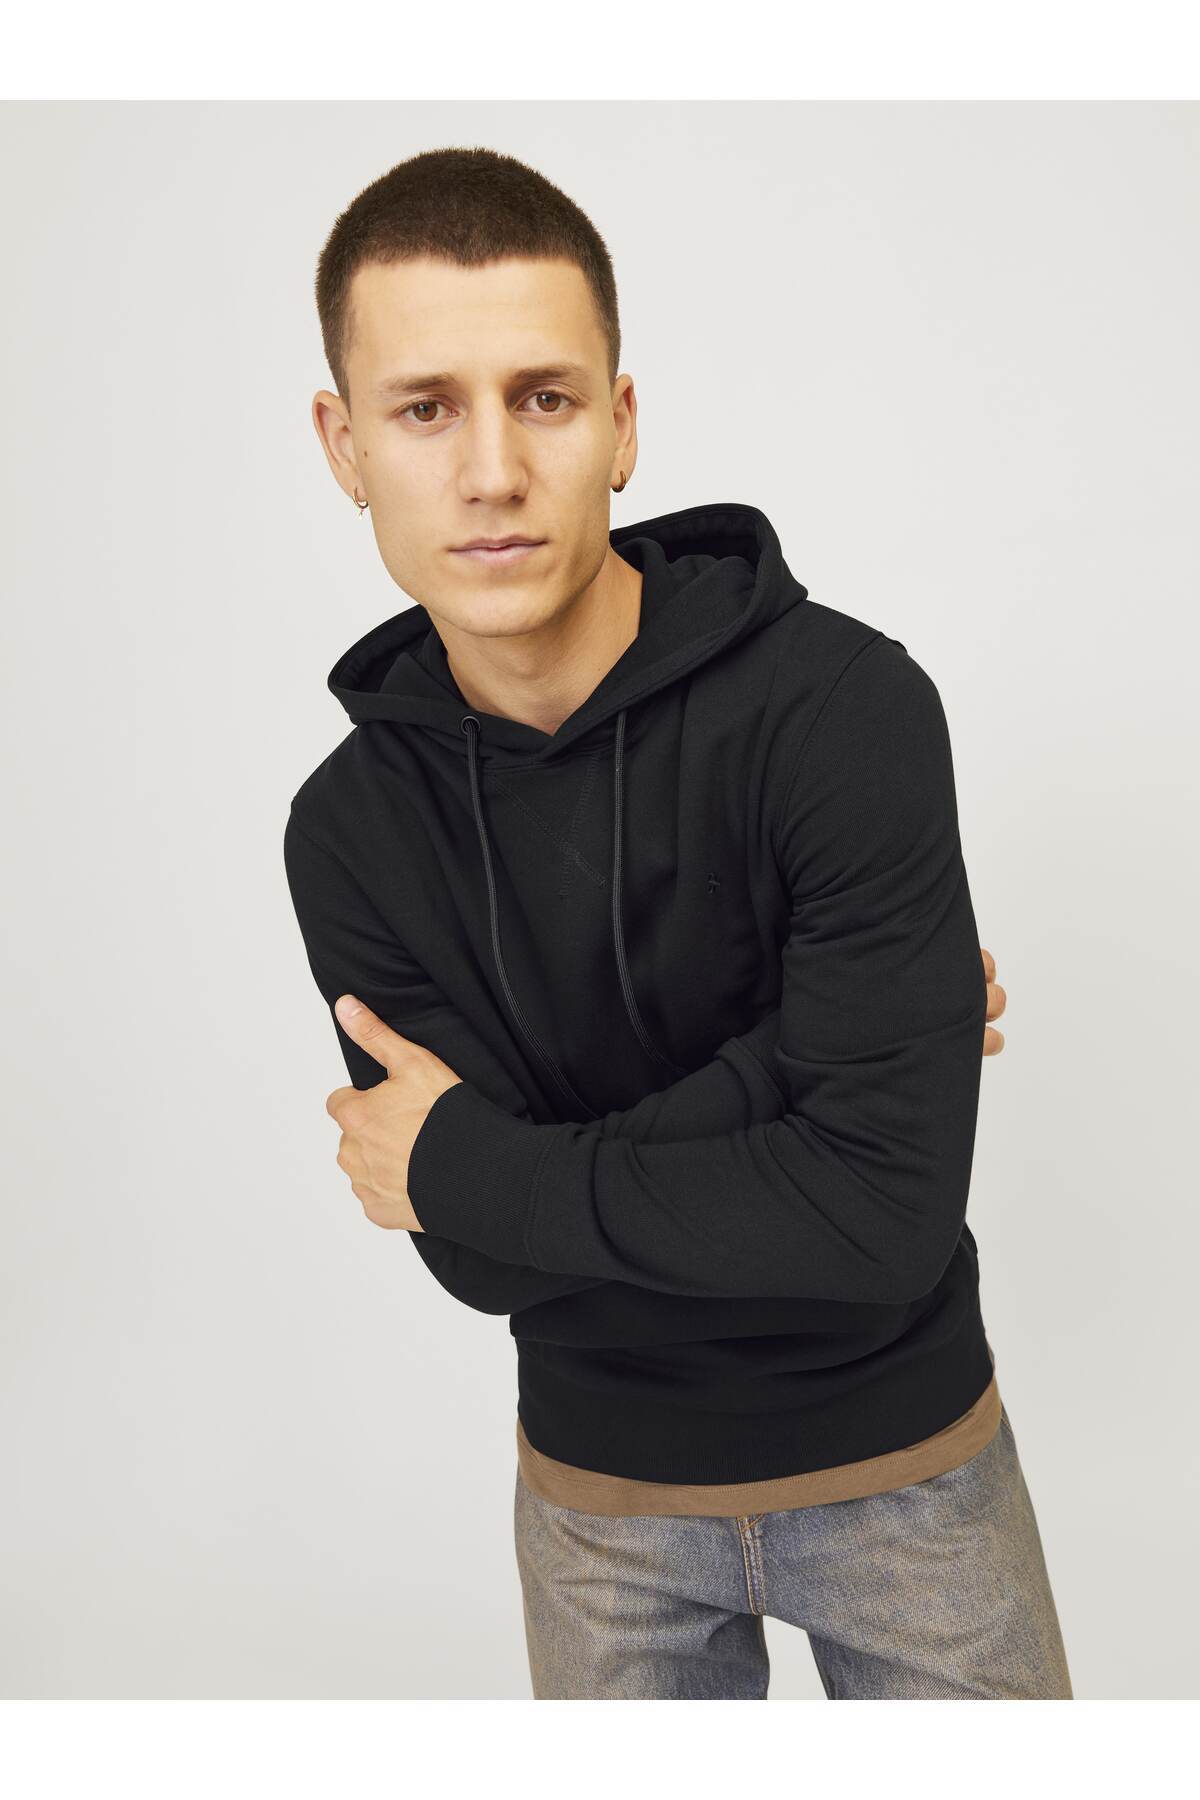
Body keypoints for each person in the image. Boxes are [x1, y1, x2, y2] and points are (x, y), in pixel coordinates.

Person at [283, 145, 1071, 1700]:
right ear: (344, 443)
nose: (491, 471)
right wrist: (810, 1064)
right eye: (426, 408)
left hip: (911, 1473)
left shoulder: (844, 710)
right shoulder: (353, 829)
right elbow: (479, 1266)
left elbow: (882, 1214)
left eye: (544, 398)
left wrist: (475, 1162)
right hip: (601, 1511)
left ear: (622, 424)